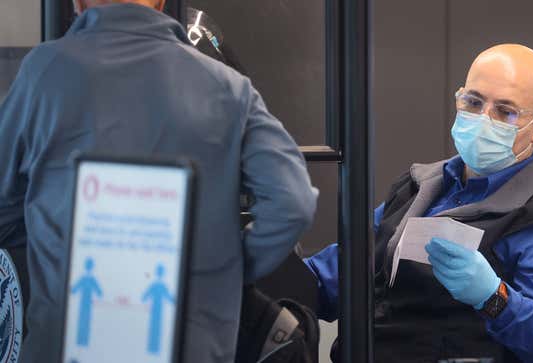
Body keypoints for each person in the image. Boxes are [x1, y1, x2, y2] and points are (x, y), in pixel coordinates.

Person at [0, 1, 318, 362]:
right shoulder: (227, 88)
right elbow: (292, 202)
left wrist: (55, 242)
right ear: (163, 3)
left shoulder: (44, 74)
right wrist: (219, 270)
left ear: (78, 3)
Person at [305, 44, 533, 363]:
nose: (483, 120)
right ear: (459, 99)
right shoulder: (417, 190)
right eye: (474, 102)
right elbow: (336, 273)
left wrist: (494, 298)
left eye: (505, 111)